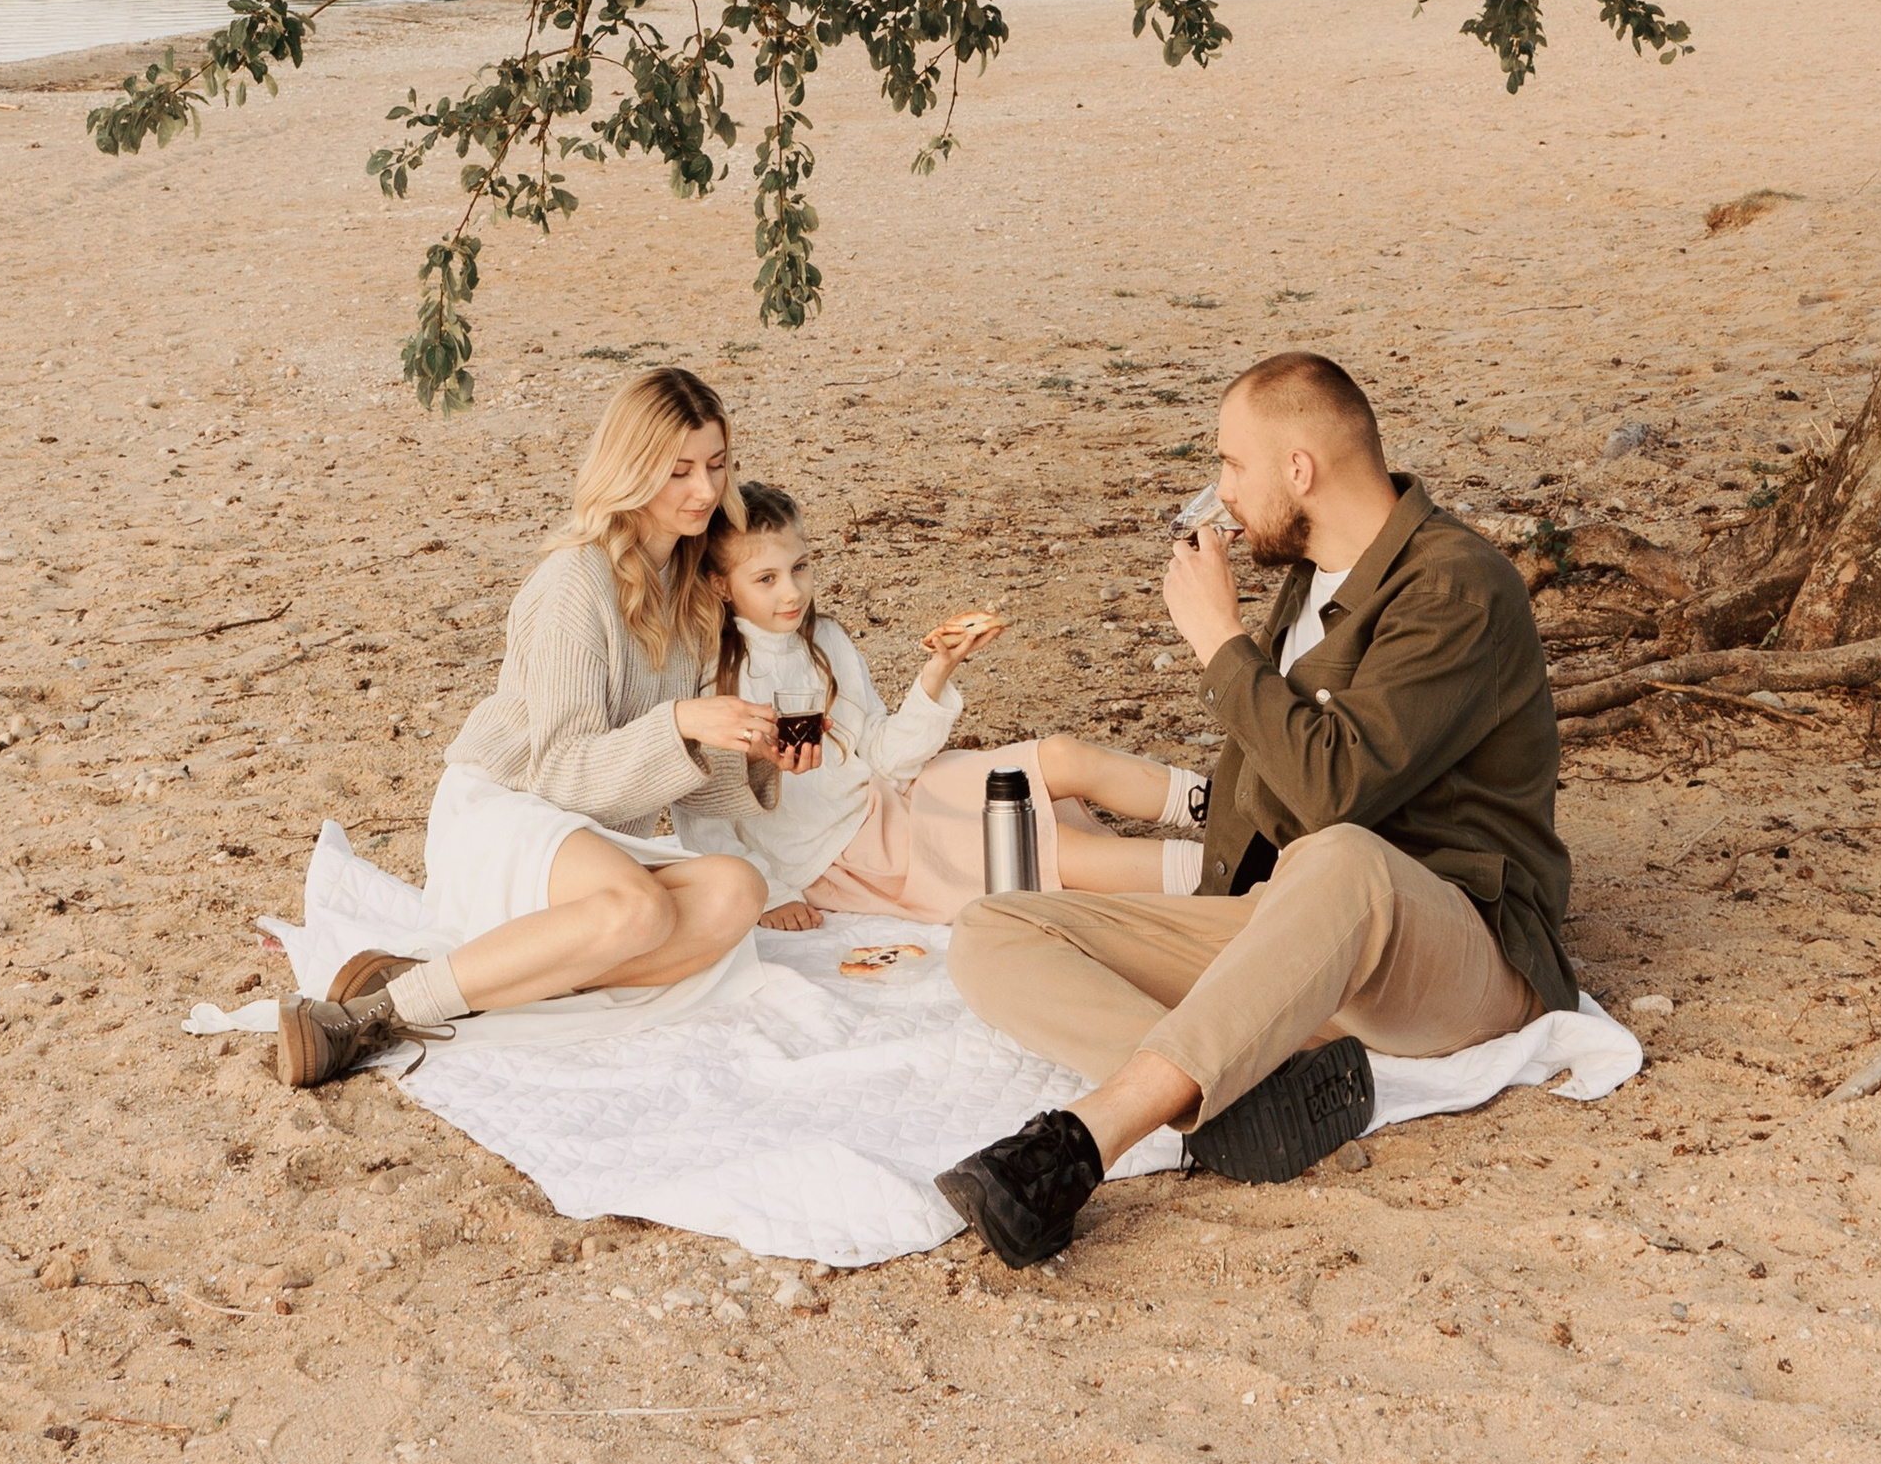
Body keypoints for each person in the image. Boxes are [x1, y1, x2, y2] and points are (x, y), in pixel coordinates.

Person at [935, 351, 1577, 1264]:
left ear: (1299, 469)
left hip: (1454, 947)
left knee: (1340, 855)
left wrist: (1221, 646)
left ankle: (1082, 1141)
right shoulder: (1310, 578)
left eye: (1232, 464)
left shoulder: (1456, 586)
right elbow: (1264, 792)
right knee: (990, 929)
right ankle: (1257, 1077)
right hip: (1302, 931)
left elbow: (1331, 791)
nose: (1219, 492)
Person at [273, 365, 781, 1086]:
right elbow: (562, 771)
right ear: (632, 468)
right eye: (679, 471)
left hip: (587, 836)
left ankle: (480, 976)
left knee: (737, 890)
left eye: (717, 466)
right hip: (509, 807)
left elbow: (677, 772)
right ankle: (373, 1015)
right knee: (638, 909)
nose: (704, 490)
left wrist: (756, 752)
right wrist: (681, 721)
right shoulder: (576, 580)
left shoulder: (695, 586)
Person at [688, 482, 1209, 926]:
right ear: (720, 586)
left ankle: (1236, 809)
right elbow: (701, 813)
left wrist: (937, 671)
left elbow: (884, 754)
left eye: (800, 567)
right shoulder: (711, 679)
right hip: (853, 851)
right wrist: (773, 895)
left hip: (899, 793)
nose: (792, 592)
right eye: (766, 579)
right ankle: (1249, 874)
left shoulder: (824, 640)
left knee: (1063, 755)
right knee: (1053, 850)